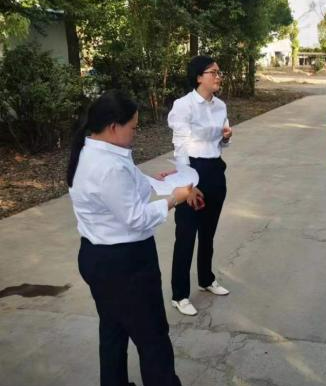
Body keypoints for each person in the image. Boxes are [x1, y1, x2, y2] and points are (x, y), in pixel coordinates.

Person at [68, 90, 197, 386]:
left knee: (113, 330)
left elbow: (125, 189)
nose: (136, 133)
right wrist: (174, 199)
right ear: (114, 126)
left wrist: (161, 182)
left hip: (98, 258)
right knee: (152, 337)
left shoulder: (93, 151)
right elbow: (136, 217)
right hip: (125, 265)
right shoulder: (109, 166)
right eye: (134, 127)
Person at [168, 55, 232, 316]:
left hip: (215, 170)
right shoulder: (183, 105)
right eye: (212, 72)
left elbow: (220, 143)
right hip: (192, 170)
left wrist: (226, 137)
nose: (218, 76)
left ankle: (206, 279)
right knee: (186, 234)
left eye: (219, 72)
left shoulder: (220, 106)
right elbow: (180, 146)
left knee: (208, 232)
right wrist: (187, 183)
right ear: (198, 77)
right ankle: (179, 294)